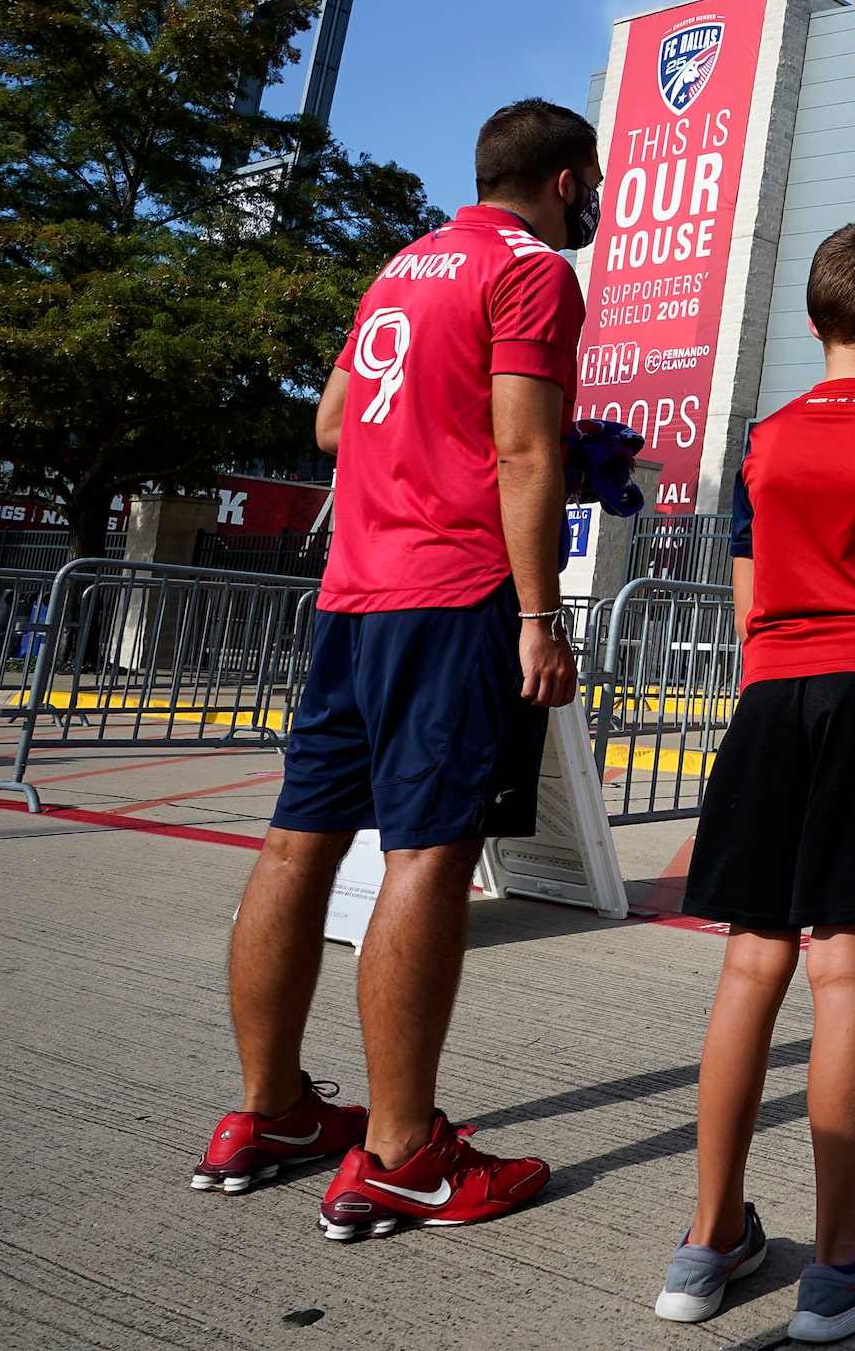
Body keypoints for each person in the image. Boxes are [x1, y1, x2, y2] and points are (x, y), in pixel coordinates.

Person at [195, 99, 598, 1241]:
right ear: (566, 180)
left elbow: (330, 425)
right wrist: (540, 614)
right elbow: (524, 448)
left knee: (296, 844)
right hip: (452, 591)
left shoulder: (402, 267)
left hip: (353, 594)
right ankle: (404, 1153)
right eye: (596, 178)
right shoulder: (529, 274)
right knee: (431, 851)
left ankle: (269, 1112)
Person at [653, 221, 855, 1339]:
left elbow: (746, 608)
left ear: (810, 320)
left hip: (771, 696)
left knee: (750, 965)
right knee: (845, 975)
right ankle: (841, 1264)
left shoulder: (763, 441)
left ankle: (706, 1245)